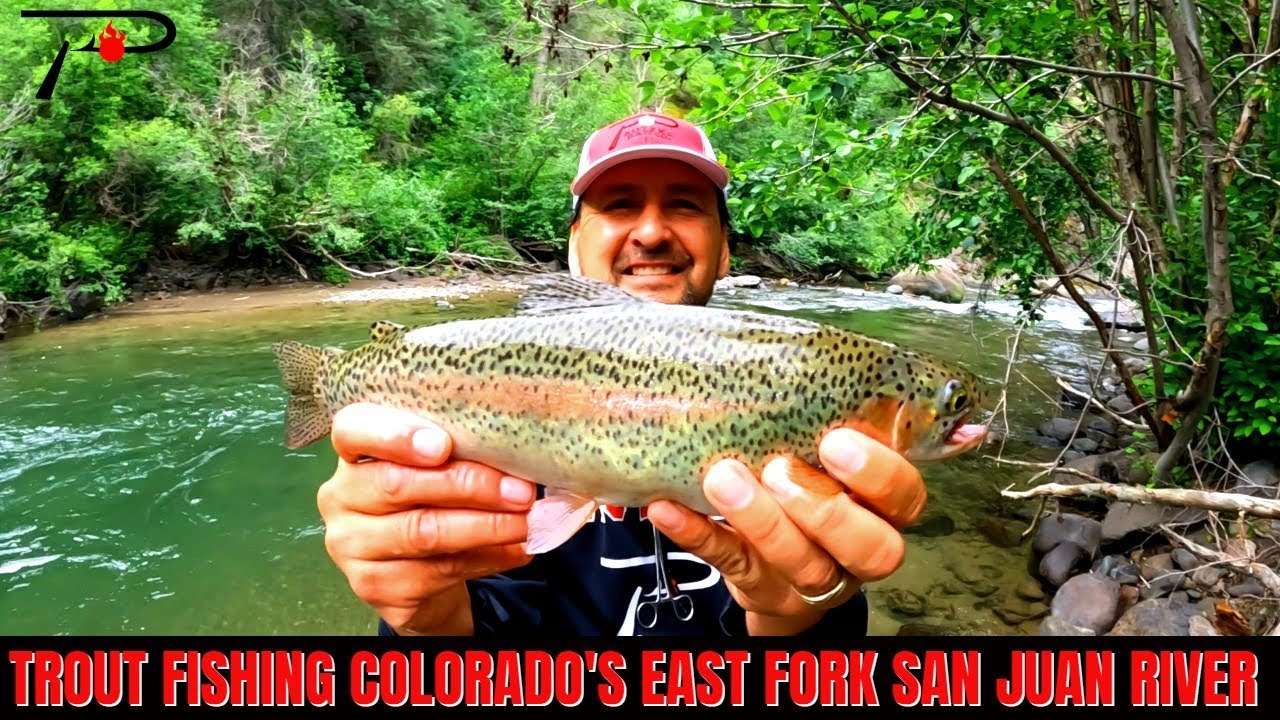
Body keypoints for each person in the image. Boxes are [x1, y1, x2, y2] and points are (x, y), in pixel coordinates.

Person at [316, 111, 926, 636]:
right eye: (620, 205)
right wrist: (423, 621)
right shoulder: (485, 420)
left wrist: (796, 621)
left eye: (684, 206)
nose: (654, 231)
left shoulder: (795, 384)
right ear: (574, 244)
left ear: (725, 249)